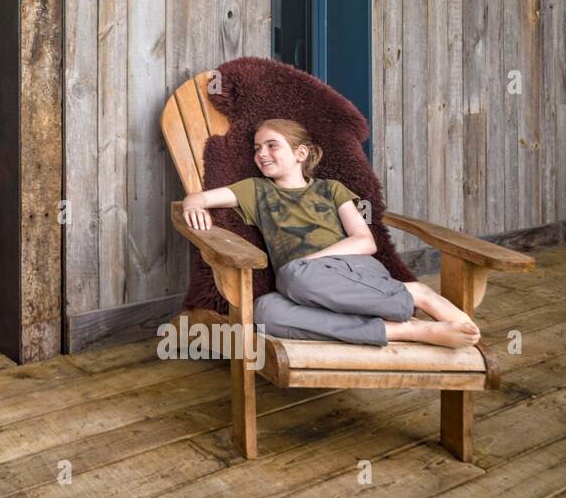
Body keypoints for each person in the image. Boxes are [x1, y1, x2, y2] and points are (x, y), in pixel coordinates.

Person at [182, 118, 480, 349]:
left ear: (300, 153)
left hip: (349, 268)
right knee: (264, 312)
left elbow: (365, 242)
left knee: (293, 276)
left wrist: (310, 262)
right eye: (257, 148)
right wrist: (192, 203)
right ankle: (408, 330)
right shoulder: (255, 190)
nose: (262, 154)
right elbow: (203, 197)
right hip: (302, 285)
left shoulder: (331, 190)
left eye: (272, 145)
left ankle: (418, 294)